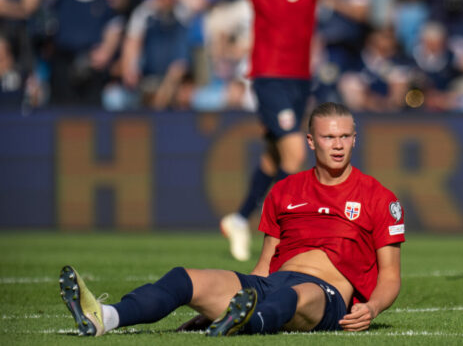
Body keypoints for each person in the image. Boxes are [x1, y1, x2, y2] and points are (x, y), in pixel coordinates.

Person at [144, 0, 441, 261]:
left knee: (273, 158)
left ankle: (238, 218)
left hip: (300, 81)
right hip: (269, 78)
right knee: (295, 153)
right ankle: (285, 231)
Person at [59, 102, 406, 336]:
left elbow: (390, 275)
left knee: (293, 298)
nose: (338, 144)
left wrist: (372, 307)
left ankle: (240, 323)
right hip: (272, 284)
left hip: (326, 295)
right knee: (184, 279)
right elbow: (264, 266)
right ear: (312, 141)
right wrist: (222, 303)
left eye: (345, 136)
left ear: (355, 139)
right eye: (330, 137)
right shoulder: (284, 190)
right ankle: (105, 317)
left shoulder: (379, 197)